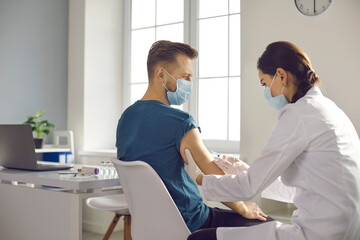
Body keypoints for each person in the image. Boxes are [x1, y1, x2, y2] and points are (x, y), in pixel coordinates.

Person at [193, 41, 360, 240]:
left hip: (320, 233)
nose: (266, 92)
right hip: (345, 227)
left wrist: (199, 178)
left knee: (200, 238)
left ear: (281, 75)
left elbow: (248, 188)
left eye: (264, 83)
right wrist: (245, 170)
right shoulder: (326, 108)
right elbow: (302, 184)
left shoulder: (299, 115)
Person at [116, 40, 272, 235]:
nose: (189, 83)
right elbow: (214, 177)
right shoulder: (180, 121)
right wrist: (243, 207)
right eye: (185, 76)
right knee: (270, 226)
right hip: (191, 222)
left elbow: (161, 174)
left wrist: (197, 174)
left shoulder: (126, 119)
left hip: (150, 225)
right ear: (161, 74)